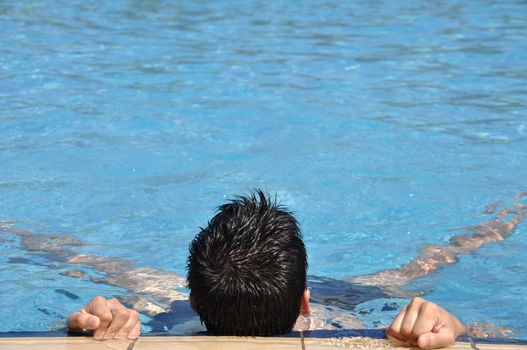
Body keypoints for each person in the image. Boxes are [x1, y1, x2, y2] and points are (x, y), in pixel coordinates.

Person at [66, 191, 467, 349]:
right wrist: (454, 326)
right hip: (332, 299)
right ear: (306, 301)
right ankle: (493, 225)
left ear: (191, 300)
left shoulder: (168, 318)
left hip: (226, 291)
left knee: (100, 266)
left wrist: (86, 327)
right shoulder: (341, 321)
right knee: (417, 270)